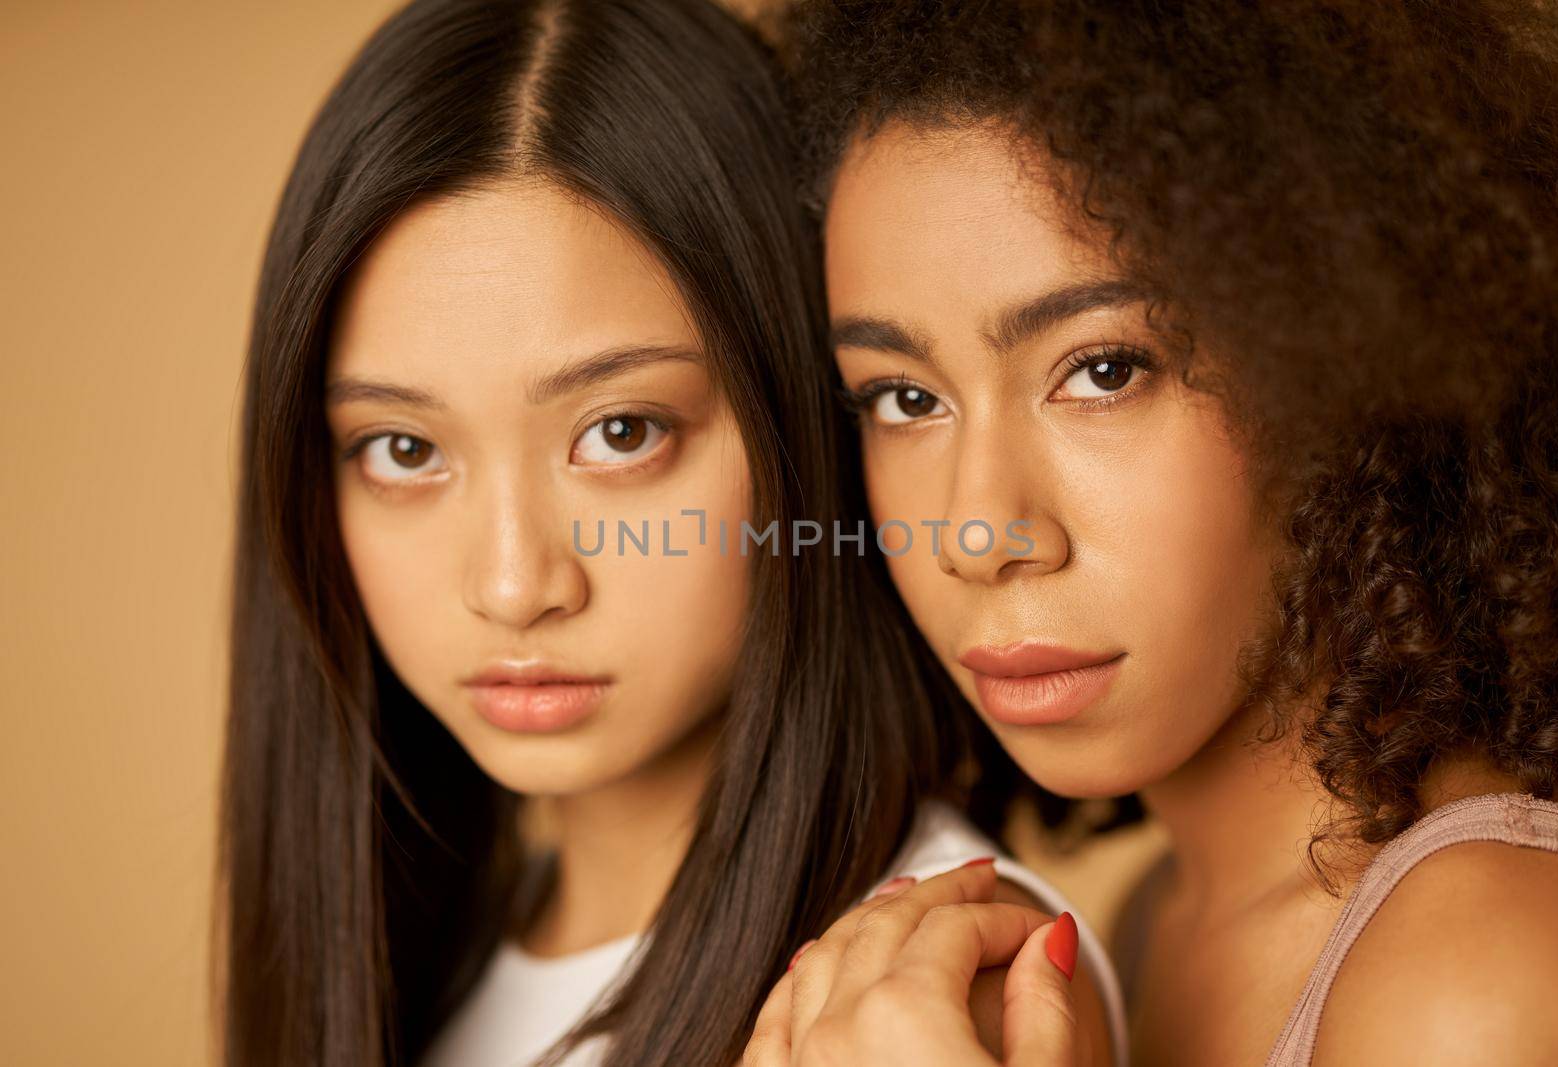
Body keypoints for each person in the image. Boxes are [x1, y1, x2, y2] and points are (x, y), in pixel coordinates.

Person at [218, 1, 1121, 1065]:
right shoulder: (435, 946)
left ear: (797, 416)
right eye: (403, 450)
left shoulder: (925, 993)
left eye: (621, 431)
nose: (515, 584)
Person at [745, 0, 1558, 1063]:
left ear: (1347, 361)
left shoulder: (1483, 973)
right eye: (904, 398)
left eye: (1103, 370)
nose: (976, 531)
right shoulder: (1135, 917)